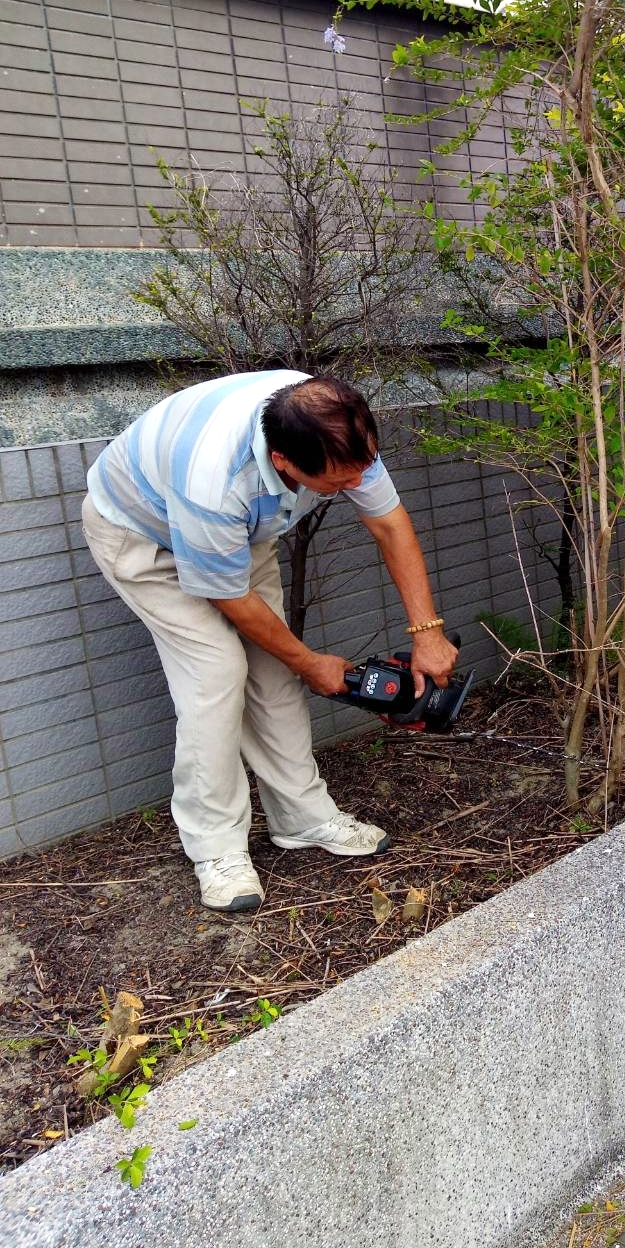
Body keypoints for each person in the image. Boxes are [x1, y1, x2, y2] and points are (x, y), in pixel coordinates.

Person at [81, 371, 458, 913]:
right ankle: (216, 848)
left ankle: (302, 817)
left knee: (273, 670)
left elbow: (389, 525)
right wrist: (311, 663)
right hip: (144, 536)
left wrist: (427, 631)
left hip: (235, 535)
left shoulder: (337, 429)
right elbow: (230, 597)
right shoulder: (213, 480)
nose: (356, 484)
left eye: (362, 470)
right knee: (215, 673)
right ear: (282, 461)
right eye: (338, 481)